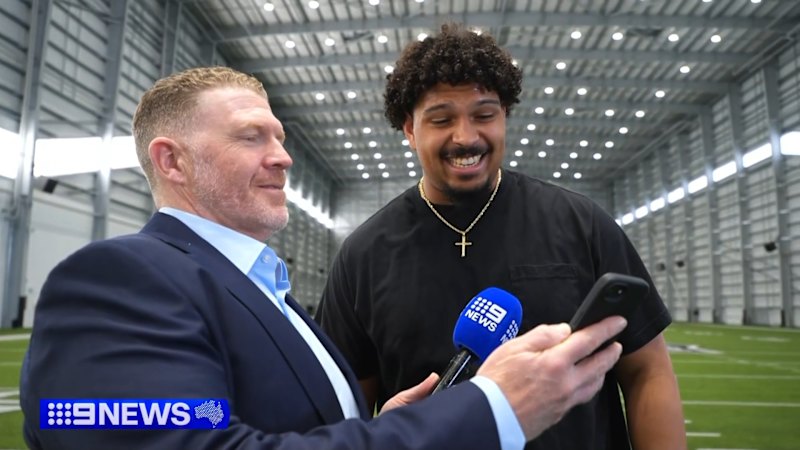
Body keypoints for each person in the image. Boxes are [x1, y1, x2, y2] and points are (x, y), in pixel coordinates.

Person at [19, 66, 628, 450]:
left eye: (280, 137)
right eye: (251, 136)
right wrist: (491, 408)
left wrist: (388, 424)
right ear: (172, 161)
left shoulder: (264, 292)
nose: (283, 157)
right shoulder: (118, 279)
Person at [316, 23, 687, 450]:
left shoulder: (581, 224)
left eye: (484, 115)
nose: (466, 137)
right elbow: (344, 409)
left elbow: (647, 370)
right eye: (441, 119)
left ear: (505, 116)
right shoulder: (364, 255)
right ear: (410, 130)